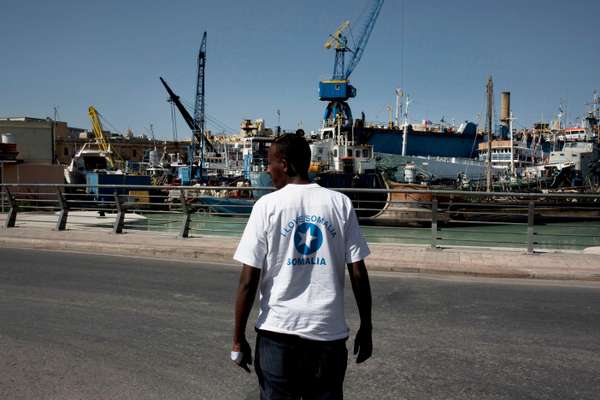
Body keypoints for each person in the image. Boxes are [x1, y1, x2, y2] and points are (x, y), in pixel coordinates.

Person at [232, 134, 373, 399]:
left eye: (270, 163)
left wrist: (238, 339)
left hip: (278, 335)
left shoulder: (266, 206)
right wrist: (367, 327)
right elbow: (358, 272)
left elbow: (248, 280)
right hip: (327, 336)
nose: (267, 169)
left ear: (284, 164)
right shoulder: (339, 203)